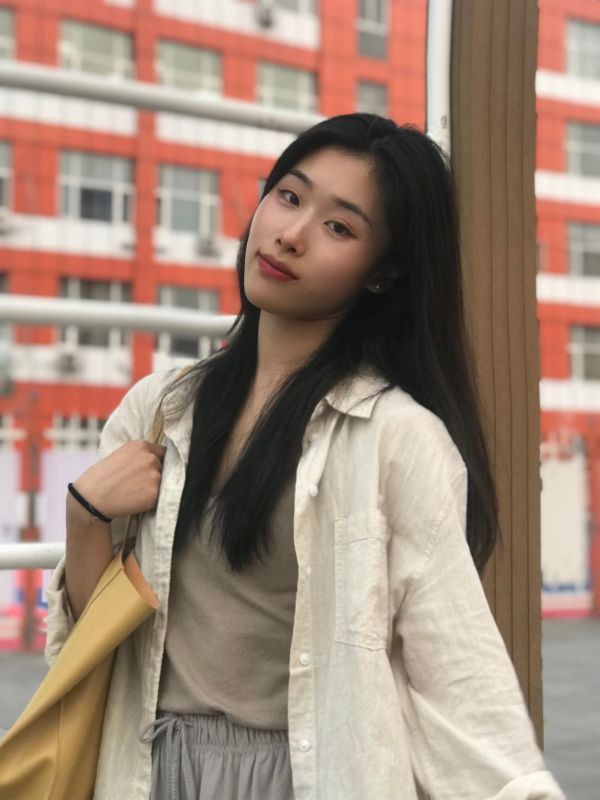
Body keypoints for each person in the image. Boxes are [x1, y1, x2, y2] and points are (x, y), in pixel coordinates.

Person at [45, 113, 566, 800]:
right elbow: (92, 650)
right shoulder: (161, 408)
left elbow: (457, 671)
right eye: (289, 196)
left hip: (302, 776)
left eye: (339, 227)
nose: (291, 234)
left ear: (383, 273)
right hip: (149, 769)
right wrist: (85, 519)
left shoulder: (396, 438)